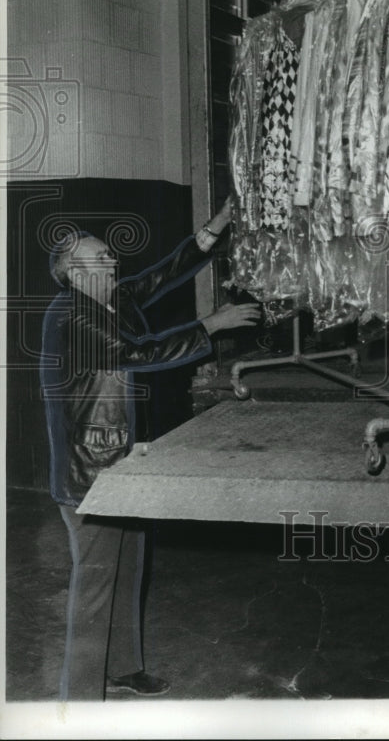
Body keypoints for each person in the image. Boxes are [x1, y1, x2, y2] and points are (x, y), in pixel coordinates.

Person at [40, 198, 261, 701]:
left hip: (120, 464)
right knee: (96, 585)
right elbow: (137, 353)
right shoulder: (73, 317)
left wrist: (218, 225)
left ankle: (122, 668)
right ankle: (79, 701)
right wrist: (211, 325)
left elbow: (161, 277)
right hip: (89, 476)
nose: (113, 263)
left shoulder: (105, 299)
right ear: (74, 273)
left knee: (128, 571)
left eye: (110, 258)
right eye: (101, 259)